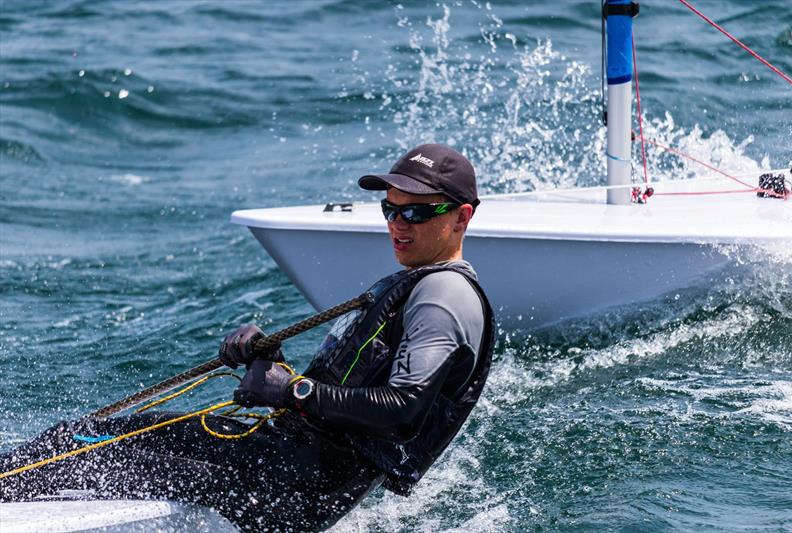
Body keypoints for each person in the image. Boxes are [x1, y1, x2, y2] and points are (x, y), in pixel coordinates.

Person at [0, 143, 496, 532]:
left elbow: (401, 409)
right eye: (390, 209)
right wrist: (273, 363)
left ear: (461, 217)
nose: (397, 224)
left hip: (294, 489)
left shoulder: (442, 295)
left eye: (416, 213)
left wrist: (292, 391)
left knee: (89, 457)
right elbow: (352, 393)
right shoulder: (421, 282)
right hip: (284, 460)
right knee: (79, 436)